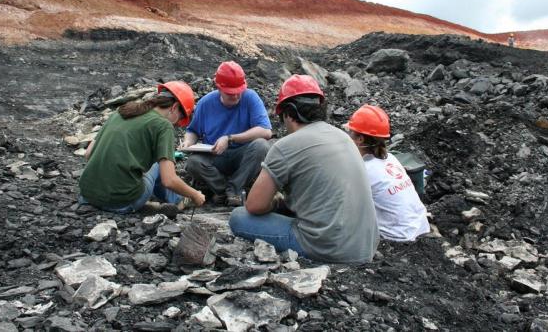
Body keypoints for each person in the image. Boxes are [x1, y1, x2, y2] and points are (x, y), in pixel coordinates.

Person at [229, 75, 379, 263]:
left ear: (289, 113)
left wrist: (275, 203)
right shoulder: (343, 137)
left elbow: (254, 206)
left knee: (238, 217)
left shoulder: (286, 145)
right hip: (366, 246)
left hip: (328, 248)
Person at [78, 81, 206, 215]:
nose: (178, 123)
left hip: (87, 197)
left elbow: (88, 153)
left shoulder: (122, 111)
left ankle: (149, 203)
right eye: (180, 117)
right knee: (159, 164)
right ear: (174, 107)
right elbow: (169, 180)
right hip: (121, 203)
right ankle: (178, 200)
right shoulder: (163, 125)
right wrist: (194, 194)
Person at [183, 61, 272, 207]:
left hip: (242, 157)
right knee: (193, 163)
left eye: (239, 91)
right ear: (218, 87)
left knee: (262, 146)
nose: (236, 96)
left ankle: (233, 189)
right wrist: (188, 142)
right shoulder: (205, 103)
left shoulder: (250, 98)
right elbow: (193, 131)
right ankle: (226, 191)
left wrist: (230, 138)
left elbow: (266, 131)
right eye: (231, 93)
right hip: (215, 157)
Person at [344, 105, 430, 241]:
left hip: (399, 237)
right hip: (421, 227)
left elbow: (343, 209)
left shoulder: (363, 170)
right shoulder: (391, 158)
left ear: (360, 139)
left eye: (351, 132)